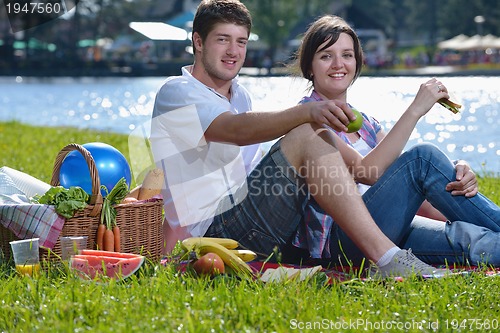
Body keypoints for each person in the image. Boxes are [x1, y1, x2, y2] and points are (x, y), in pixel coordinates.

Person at [150, 0, 450, 278]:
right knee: (308, 132)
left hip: (254, 224)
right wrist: (308, 113)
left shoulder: (239, 95)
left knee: (312, 139)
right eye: (222, 40)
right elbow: (235, 131)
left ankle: (464, 236)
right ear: (198, 42)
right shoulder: (177, 92)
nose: (233, 51)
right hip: (213, 232)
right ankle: (387, 259)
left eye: (240, 41)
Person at [291, 14, 500, 267]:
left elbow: (402, 180)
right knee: (423, 157)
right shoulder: (306, 120)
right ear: (309, 67)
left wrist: (455, 173)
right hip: (343, 240)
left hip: (389, 226)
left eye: (347, 55)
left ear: (357, 62)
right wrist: (414, 110)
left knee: (472, 239)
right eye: (326, 56)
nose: (338, 64)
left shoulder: (366, 123)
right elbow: (366, 172)